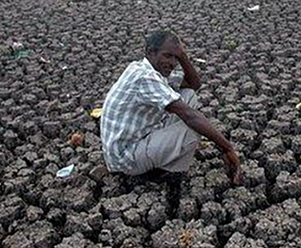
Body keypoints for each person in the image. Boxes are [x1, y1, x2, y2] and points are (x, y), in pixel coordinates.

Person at [99, 30, 242, 184]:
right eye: (168, 55)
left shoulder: (150, 69)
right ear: (150, 52)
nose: (173, 63)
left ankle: (160, 161)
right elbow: (189, 116)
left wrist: (183, 56)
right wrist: (227, 148)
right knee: (192, 128)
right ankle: (163, 173)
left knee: (188, 95)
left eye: (176, 58)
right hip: (126, 158)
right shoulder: (145, 77)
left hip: (138, 138)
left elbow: (194, 85)